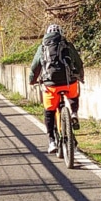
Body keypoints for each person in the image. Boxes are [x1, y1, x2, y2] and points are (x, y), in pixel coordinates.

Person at [29, 24, 85, 154]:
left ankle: (51, 141)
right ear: (61, 33)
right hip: (68, 82)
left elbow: (35, 66)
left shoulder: (42, 47)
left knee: (49, 111)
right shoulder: (67, 44)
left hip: (51, 85)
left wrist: (32, 81)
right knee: (73, 95)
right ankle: (74, 113)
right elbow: (78, 62)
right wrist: (80, 77)